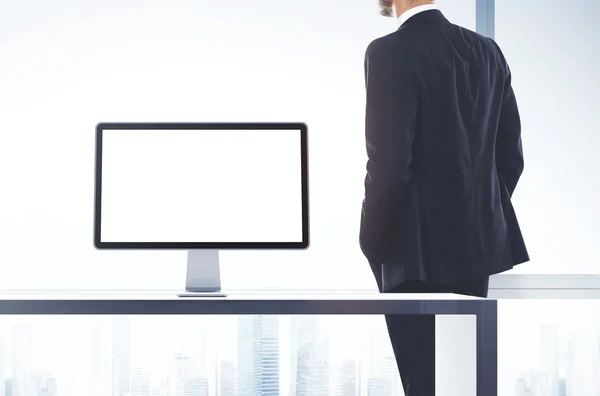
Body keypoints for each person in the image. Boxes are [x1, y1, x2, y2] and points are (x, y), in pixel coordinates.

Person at [358, 0, 529, 394]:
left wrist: (371, 241)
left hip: (412, 258)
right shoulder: (488, 52)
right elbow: (511, 158)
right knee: (463, 385)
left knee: (424, 387)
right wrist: (479, 217)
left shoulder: (388, 52)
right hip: (475, 255)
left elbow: (387, 166)